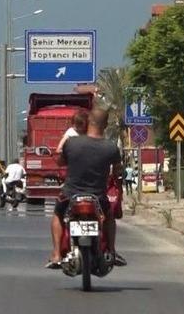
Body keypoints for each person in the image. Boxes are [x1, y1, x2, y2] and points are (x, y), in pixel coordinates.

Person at [46, 107, 125, 269]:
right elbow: (118, 171)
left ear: (89, 122)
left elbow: (60, 162)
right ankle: (111, 250)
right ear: (105, 125)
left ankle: (56, 254)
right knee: (109, 217)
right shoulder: (111, 148)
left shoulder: (72, 143)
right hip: (98, 197)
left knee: (58, 214)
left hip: (70, 195)